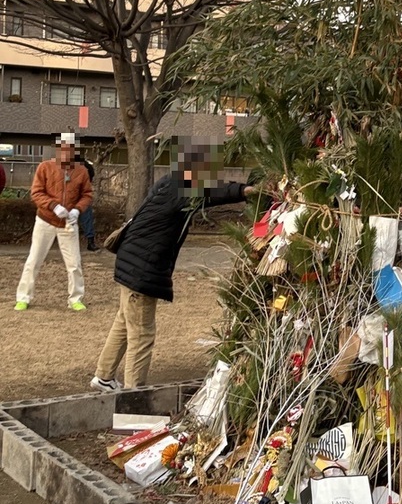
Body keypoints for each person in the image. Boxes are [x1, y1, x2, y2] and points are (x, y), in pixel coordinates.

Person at [90, 139, 255, 391]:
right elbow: (213, 192)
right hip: (141, 270)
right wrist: (245, 191)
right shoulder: (181, 187)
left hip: (132, 264)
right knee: (142, 335)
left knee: (124, 323)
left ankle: (103, 377)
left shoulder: (170, 183)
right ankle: (134, 396)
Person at [14, 133, 93, 312]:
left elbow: (87, 194)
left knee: (74, 264)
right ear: (58, 149)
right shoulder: (45, 167)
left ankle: (76, 298)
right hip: (45, 220)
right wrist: (53, 205)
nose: (67, 151)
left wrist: (77, 210)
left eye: (71, 148)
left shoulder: (81, 171)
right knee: (33, 260)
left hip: (68, 223)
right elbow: (36, 192)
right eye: (64, 147)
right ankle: (23, 297)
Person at [76, 156, 98, 251]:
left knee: (86, 217)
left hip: (79, 195)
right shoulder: (85, 166)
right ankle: (90, 242)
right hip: (72, 195)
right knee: (86, 218)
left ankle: (90, 241)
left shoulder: (85, 167)